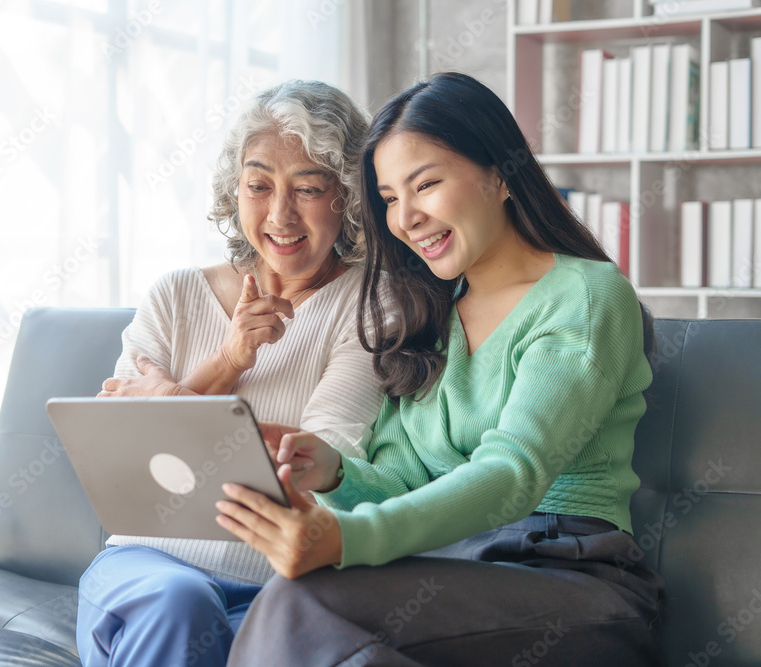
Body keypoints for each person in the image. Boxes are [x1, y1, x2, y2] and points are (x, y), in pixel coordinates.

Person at [216, 72, 664, 666]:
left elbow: (512, 472)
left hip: (571, 576)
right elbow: (403, 473)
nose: (406, 219)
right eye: (391, 199)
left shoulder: (584, 296)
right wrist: (332, 473)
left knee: (296, 604)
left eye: (425, 184)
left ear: (499, 175)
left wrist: (348, 538)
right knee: (315, 619)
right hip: (453, 569)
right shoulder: (434, 314)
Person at [75, 80, 383, 667]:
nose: (279, 215)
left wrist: (166, 395)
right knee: (179, 600)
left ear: (346, 195)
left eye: (309, 189)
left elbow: (313, 460)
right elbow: (117, 452)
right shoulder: (173, 294)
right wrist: (230, 359)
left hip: (277, 578)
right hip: (145, 568)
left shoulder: (367, 307)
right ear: (234, 190)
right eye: (258, 185)